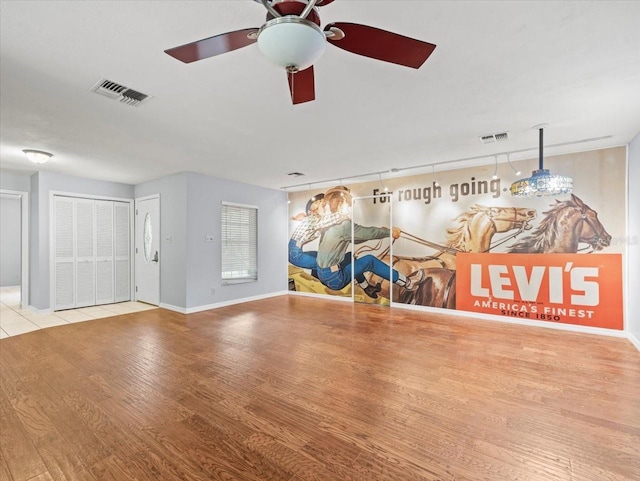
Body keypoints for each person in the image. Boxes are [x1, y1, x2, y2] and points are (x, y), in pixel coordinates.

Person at [315, 186, 425, 298]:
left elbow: (356, 238)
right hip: (335, 279)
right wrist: (388, 232)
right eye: (347, 206)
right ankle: (408, 283)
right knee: (370, 261)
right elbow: (367, 233)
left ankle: (367, 288)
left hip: (323, 275)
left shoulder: (329, 224)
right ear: (340, 205)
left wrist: (383, 231)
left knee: (349, 257)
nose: (348, 209)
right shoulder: (343, 225)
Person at [288, 193, 349, 270]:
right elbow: (327, 220)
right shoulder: (313, 218)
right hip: (294, 253)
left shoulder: (312, 220)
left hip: (294, 250)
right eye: (321, 205)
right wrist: (344, 214)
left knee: (318, 256)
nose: (324, 207)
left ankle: (318, 277)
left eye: (323, 205)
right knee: (323, 265)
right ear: (312, 210)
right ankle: (336, 275)